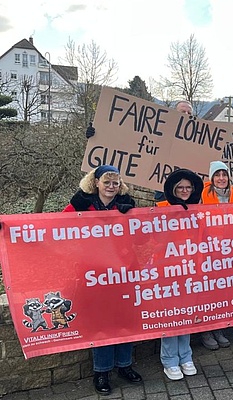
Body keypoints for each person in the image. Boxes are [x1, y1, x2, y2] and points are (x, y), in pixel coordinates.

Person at [64, 165, 142, 395]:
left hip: (123, 271)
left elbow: (143, 234)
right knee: (102, 322)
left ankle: (124, 365)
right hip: (94, 272)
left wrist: (133, 217)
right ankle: (102, 371)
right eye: (106, 182)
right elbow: (51, 226)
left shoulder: (126, 205)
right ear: (96, 182)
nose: (111, 187)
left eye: (115, 183)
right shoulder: (80, 205)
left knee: (125, 319)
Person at [158, 168, 203, 380]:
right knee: (170, 316)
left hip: (192, 271)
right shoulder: (161, 209)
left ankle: (185, 355)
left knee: (186, 315)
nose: (184, 191)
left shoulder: (199, 209)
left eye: (188, 187)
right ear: (174, 189)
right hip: (169, 272)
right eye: (180, 187)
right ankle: (169, 359)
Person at [199, 161, 233, 350]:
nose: (221, 179)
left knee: (222, 290)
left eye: (224, 175)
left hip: (229, 249)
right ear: (211, 177)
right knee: (208, 290)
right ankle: (206, 330)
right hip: (209, 249)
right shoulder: (202, 194)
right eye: (217, 175)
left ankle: (219, 327)